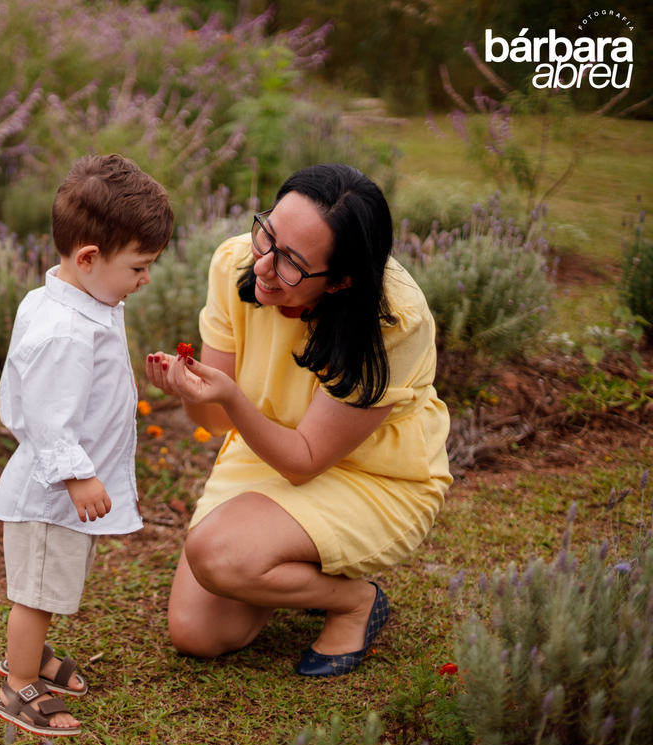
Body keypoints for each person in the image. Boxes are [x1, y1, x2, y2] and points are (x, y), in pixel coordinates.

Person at [145, 163, 451, 677]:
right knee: (198, 634)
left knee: (219, 554)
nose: (263, 265)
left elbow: (305, 461)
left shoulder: (393, 321)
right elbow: (216, 421)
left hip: (371, 475)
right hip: (268, 446)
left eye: (291, 262)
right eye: (267, 234)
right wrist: (189, 391)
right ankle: (291, 559)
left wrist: (234, 400)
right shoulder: (237, 263)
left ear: (341, 282)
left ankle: (354, 601)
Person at [0, 154, 173, 733]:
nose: (146, 279)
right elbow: (45, 416)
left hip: (64, 493)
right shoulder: (63, 331)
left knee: (50, 585)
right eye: (140, 267)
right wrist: (77, 475)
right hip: (51, 496)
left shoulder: (84, 298)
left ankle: (31, 654)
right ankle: (17, 685)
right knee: (37, 593)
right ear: (90, 258)